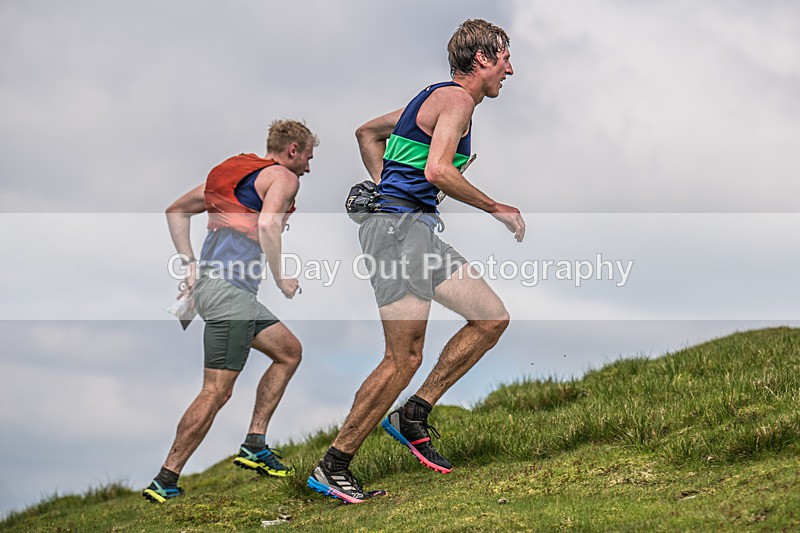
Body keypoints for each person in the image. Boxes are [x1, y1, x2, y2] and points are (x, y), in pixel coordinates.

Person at [308, 19, 525, 503]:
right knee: (402, 356)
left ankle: (414, 414)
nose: (510, 69)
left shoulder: (431, 99)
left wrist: (387, 185)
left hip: (413, 231)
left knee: (490, 318)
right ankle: (333, 465)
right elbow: (438, 170)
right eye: (505, 58)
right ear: (482, 59)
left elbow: (366, 132)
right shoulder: (457, 100)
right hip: (398, 234)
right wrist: (497, 208)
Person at [142, 119, 318, 503]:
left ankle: (255, 443)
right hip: (230, 294)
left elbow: (175, 210)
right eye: (307, 156)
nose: (308, 166)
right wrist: (282, 277)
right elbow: (270, 225)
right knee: (216, 391)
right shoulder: (284, 178)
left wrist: (189, 263)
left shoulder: (234, 171)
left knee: (288, 352)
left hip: (220, 289)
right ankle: (165, 479)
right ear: (292, 150)